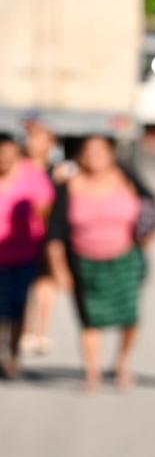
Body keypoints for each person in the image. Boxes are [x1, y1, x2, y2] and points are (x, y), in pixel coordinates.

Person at [46, 135, 155, 391]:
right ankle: (92, 373)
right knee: (89, 320)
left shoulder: (126, 178)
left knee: (130, 316)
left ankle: (122, 364)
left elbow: (151, 205)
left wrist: (149, 231)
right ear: (81, 155)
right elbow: (55, 232)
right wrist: (59, 268)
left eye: (100, 151)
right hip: (84, 263)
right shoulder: (69, 184)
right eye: (89, 151)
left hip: (125, 260)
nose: (95, 156)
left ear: (111, 154)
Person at [0, 134, 56, 378]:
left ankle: (13, 355)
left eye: (11, 154)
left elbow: (46, 210)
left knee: (17, 308)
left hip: (24, 255)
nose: (6, 159)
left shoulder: (32, 176)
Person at [19, 115, 75, 357]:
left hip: (49, 236)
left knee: (46, 286)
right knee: (24, 288)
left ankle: (41, 332)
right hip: (21, 237)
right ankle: (24, 332)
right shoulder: (19, 167)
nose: (33, 142)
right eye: (31, 137)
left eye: (39, 137)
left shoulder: (60, 171)